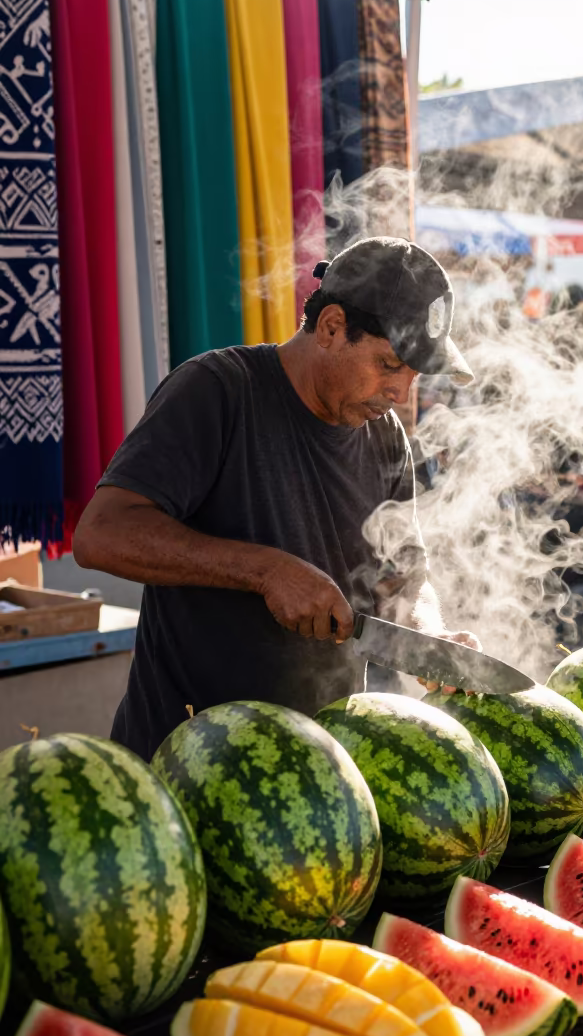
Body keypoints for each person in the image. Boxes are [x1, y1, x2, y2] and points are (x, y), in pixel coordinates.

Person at [73, 237, 475, 761]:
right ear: (331, 327)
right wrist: (266, 570)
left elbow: (400, 577)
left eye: (415, 375)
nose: (402, 392)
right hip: (187, 758)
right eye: (389, 364)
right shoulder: (217, 391)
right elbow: (101, 534)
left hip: (318, 769)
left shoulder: (385, 438)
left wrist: (429, 637)